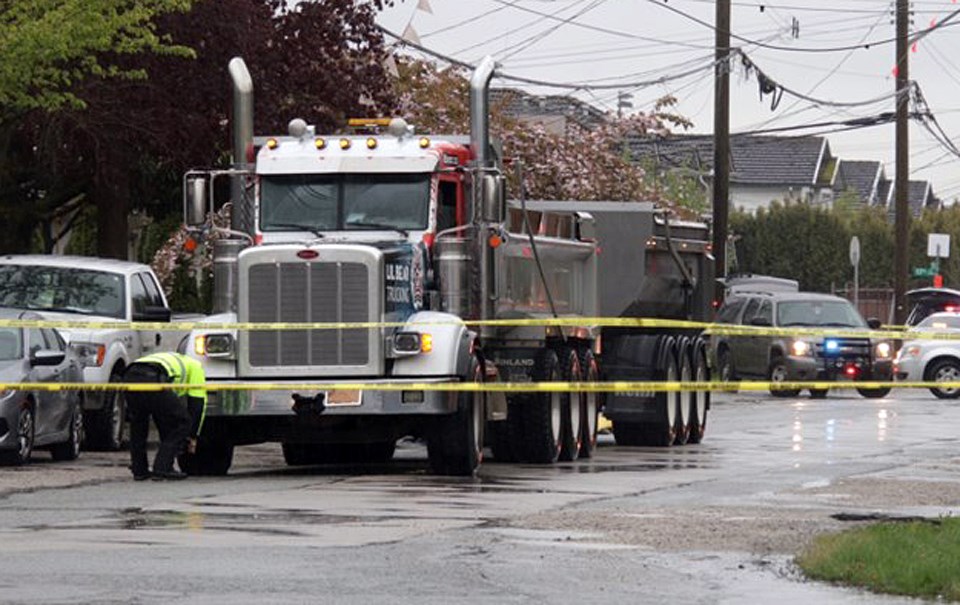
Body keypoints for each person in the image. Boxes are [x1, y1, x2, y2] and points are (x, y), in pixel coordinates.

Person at [124, 351, 207, 481]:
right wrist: (192, 435)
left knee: (138, 423)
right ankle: (163, 467)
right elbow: (197, 405)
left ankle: (139, 470)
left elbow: (163, 414)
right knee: (184, 422)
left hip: (130, 375)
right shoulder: (197, 367)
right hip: (153, 378)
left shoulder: (172, 360)